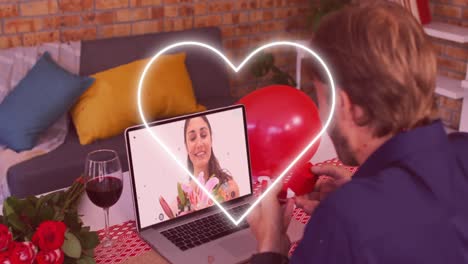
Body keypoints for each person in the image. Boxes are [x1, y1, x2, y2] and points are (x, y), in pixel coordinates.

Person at [247, 2, 468, 263]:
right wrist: (360, 193)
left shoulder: (345, 219)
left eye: (322, 101)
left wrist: (270, 247)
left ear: (347, 105)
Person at [179, 115, 240, 213]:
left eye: (203, 135)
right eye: (192, 138)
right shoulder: (180, 201)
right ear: (186, 146)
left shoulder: (228, 188)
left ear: (211, 139)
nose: (199, 144)